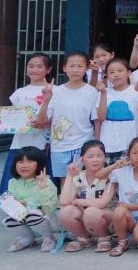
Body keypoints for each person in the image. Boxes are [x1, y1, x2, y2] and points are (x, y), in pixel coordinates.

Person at [0, 53, 52, 195]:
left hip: (41, 145)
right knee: (13, 188)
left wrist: (44, 122)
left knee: (40, 189)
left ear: (48, 69)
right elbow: (11, 118)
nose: (34, 69)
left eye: (39, 66)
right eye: (31, 66)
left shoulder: (54, 91)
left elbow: (57, 119)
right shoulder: (19, 92)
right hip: (19, 145)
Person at [34, 50, 98, 181]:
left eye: (80, 66)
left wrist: (96, 143)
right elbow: (40, 121)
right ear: (64, 68)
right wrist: (46, 100)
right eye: (72, 66)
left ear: (86, 68)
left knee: (83, 182)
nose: (75, 70)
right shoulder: (56, 91)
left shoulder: (92, 92)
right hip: (60, 146)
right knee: (65, 182)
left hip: (84, 144)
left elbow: (97, 120)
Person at [58, 140, 116, 252]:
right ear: (82, 159)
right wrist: (70, 175)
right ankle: (84, 238)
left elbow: (102, 203)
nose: (95, 160)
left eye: (99, 155)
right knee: (65, 212)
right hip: (87, 218)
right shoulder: (78, 176)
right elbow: (64, 201)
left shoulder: (111, 176)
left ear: (105, 158)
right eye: (90, 156)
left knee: (91, 212)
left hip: (108, 218)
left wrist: (78, 201)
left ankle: (104, 237)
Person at [0, 147, 57, 252]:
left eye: (30, 162)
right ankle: (27, 239)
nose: (24, 165)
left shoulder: (46, 181)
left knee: (33, 213)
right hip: (26, 218)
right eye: (20, 162)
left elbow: (50, 206)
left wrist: (43, 188)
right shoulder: (13, 182)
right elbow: (12, 206)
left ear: (38, 164)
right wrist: (10, 205)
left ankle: (49, 238)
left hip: (47, 219)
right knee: (8, 220)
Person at [96, 58, 138, 163]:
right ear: (107, 76)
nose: (116, 74)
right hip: (108, 145)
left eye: (120, 71)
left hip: (131, 145)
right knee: (110, 173)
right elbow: (101, 118)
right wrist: (103, 93)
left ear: (128, 73)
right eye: (111, 72)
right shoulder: (104, 92)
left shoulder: (137, 91)